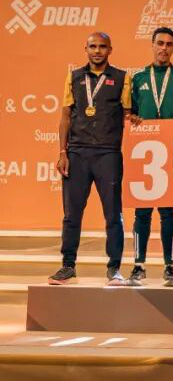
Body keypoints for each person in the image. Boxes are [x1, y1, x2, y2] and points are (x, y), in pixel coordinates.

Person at [49, 32, 133, 287]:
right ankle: (68, 266)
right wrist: (62, 152)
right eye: (93, 46)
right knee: (71, 214)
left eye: (102, 47)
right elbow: (65, 116)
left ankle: (114, 268)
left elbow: (128, 114)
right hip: (77, 153)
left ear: (110, 50)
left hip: (108, 153)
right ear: (85, 49)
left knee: (113, 214)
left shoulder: (121, 78)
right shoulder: (74, 77)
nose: (97, 51)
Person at [129, 26, 173, 287]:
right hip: (143, 153)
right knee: (142, 212)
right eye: (160, 43)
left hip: (170, 152)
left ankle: (169, 266)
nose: (164, 48)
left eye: (169, 44)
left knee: (168, 212)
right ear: (152, 45)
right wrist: (132, 118)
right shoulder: (138, 78)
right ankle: (138, 265)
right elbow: (129, 111)